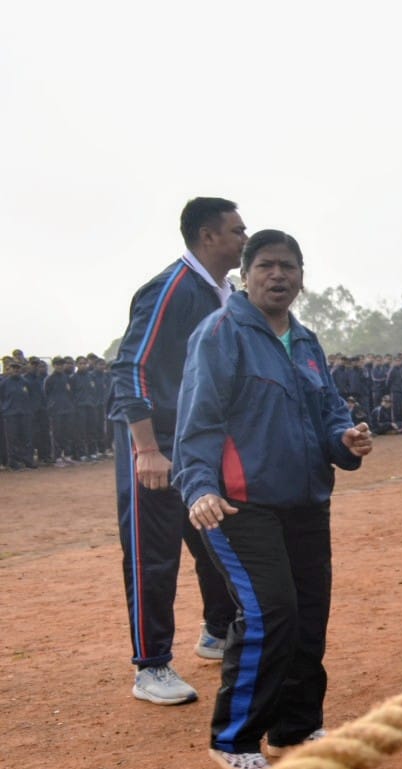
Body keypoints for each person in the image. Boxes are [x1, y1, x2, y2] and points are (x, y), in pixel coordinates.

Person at [174, 229, 373, 769]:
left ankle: (297, 727)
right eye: (265, 265)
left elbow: (329, 414)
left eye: (288, 266)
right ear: (245, 274)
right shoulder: (221, 333)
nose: (278, 275)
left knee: (309, 614)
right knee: (270, 612)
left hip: (305, 501)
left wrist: (346, 440)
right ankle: (234, 737)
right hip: (239, 505)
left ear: (302, 278)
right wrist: (200, 487)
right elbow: (198, 421)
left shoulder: (306, 342)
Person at [108, 197, 246, 705]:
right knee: (154, 553)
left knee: (215, 537)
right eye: (237, 230)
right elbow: (131, 366)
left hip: (196, 440)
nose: (244, 238)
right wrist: (146, 448)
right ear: (207, 236)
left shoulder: (226, 293)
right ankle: (151, 666)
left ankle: (216, 630)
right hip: (157, 441)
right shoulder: (172, 287)